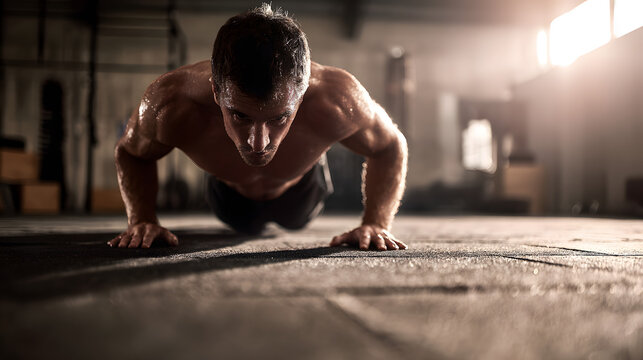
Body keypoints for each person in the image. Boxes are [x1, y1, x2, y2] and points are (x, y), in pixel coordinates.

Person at [109, 4, 408, 251]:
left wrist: (376, 223)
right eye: (240, 116)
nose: (258, 143)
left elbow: (391, 145)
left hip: (300, 193)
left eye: (279, 118)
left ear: (300, 95)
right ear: (216, 91)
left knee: (294, 215)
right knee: (243, 223)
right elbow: (131, 152)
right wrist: (141, 219)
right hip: (229, 198)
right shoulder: (171, 102)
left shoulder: (337, 98)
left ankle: (313, 156)